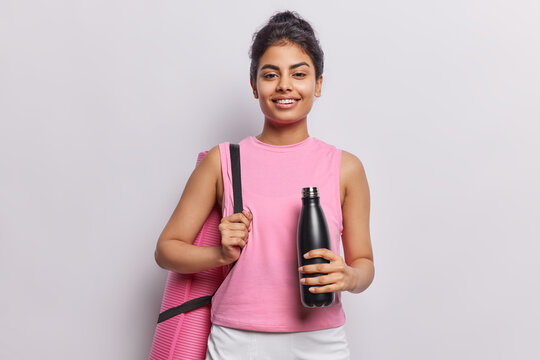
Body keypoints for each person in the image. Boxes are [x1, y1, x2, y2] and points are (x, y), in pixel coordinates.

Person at [154, 10, 374, 360]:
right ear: (254, 84)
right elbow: (166, 250)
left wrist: (348, 276)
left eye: (299, 74)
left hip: (321, 340)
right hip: (237, 340)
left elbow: (364, 263)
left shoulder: (345, 167)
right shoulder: (223, 160)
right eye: (270, 74)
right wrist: (219, 254)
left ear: (318, 83)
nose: (285, 85)